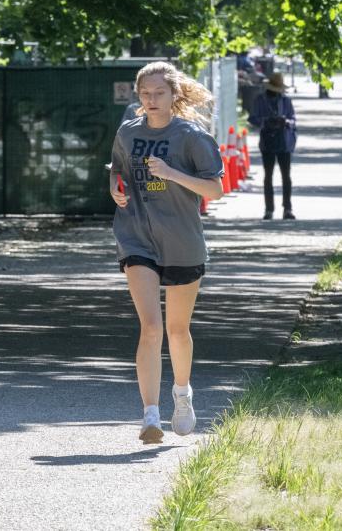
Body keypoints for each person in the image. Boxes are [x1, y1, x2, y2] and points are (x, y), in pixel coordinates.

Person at [109, 61, 225, 444]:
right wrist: (115, 187)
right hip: (137, 236)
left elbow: (214, 190)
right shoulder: (128, 132)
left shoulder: (191, 136)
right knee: (151, 327)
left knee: (176, 330)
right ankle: (150, 415)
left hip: (182, 241)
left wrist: (173, 173)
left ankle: (182, 393)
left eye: (158, 93)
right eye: (145, 94)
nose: (151, 100)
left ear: (174, 94)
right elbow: (117, 169)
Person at [247, 72, 297, 220]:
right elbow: (252, 118)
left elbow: (293, 118)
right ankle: (269, 209)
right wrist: (266, 122)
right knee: (268, 176)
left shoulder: (286, 100)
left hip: (284, 141)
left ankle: (287, 208)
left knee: (286, 176)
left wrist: (286, 122)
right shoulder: (260, 100)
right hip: (267, 142)